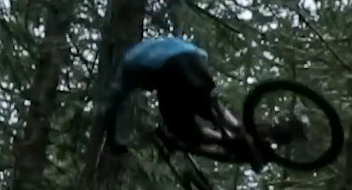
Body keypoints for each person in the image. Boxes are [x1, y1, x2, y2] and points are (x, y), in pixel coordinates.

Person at [103, 36, 263, 170]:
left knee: (182, 129)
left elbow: (111, 107)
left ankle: (228, 140)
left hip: (169, 69)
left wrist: (113, 141)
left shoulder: (127, 69)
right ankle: (237, 129)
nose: (148, 89)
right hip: (192, 57)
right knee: (210, 103)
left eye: (145, 85)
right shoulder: (150, 47)